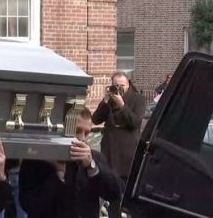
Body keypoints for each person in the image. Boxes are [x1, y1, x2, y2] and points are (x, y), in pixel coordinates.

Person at [19, 108, 122, 218]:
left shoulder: (95, 157)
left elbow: (114, 193)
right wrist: (58, 174)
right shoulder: (37, 160)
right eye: (77, 131)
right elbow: (29, 205)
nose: (82, 138)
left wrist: (92, 168)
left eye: (87, 133)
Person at [92, 71, 146, 218]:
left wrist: (122, 105)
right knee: (111, 193)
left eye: (122, 85)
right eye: (116, 86)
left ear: (128, 84)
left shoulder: (138, 99)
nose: (119, 89)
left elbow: (134, 122)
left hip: (127, 155)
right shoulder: (109, 100)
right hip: (109, 151)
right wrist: (104, 101)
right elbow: (96, 119)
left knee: (125, 195)